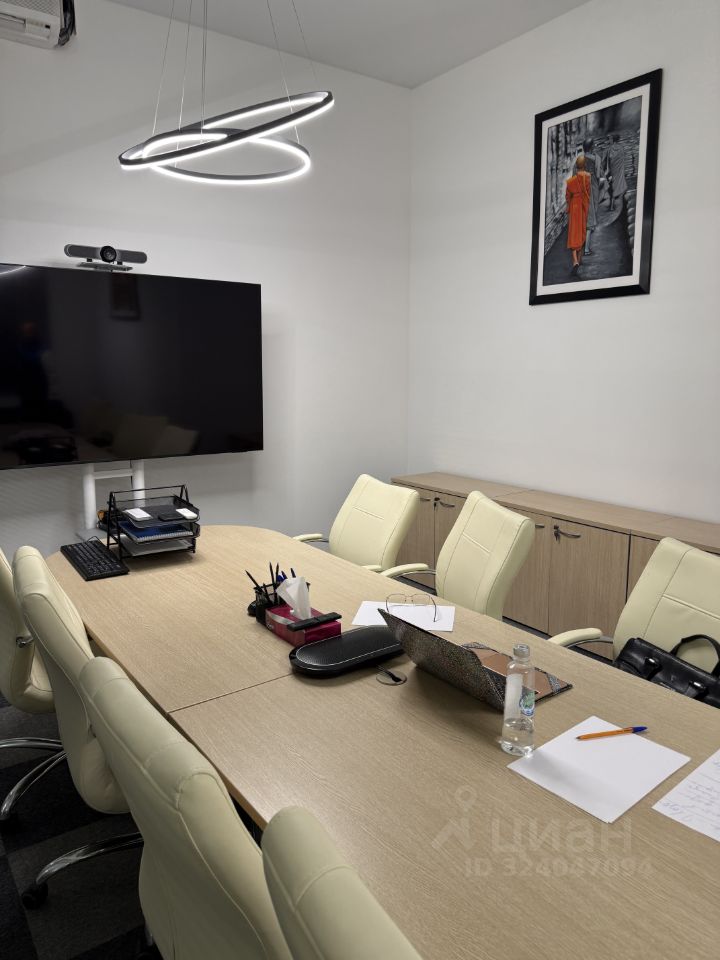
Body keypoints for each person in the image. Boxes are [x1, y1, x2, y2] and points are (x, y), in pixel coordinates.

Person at [574, 139, 601, 254]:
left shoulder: (579, 160)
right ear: (592, 147)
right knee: (590, 220)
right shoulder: (596, 159)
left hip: (580, 191)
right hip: (592, 189)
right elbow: (598, 175)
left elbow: (574, 177)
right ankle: (586, 249)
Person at [565, 155, 591, 275]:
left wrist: (569, 207)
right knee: (581, 232)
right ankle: (579, 260)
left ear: (576, 165)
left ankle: (575, 260)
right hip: (582, 206)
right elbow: (588, 193)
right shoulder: (587, 177)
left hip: (574, 207)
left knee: (573, 233)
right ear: (584, 165)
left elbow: (567, 197)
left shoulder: (571, 181)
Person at [605, 133, 627, 211]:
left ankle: (611, 206)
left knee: (612, 189)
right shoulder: (621, 149)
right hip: (619, 172)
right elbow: (622, 161)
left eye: (610, 139)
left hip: (612, 173)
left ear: (613, 139)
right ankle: (622, 205)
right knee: (620, 187)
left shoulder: (609, 150)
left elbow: (608, 164)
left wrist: (607, 173)